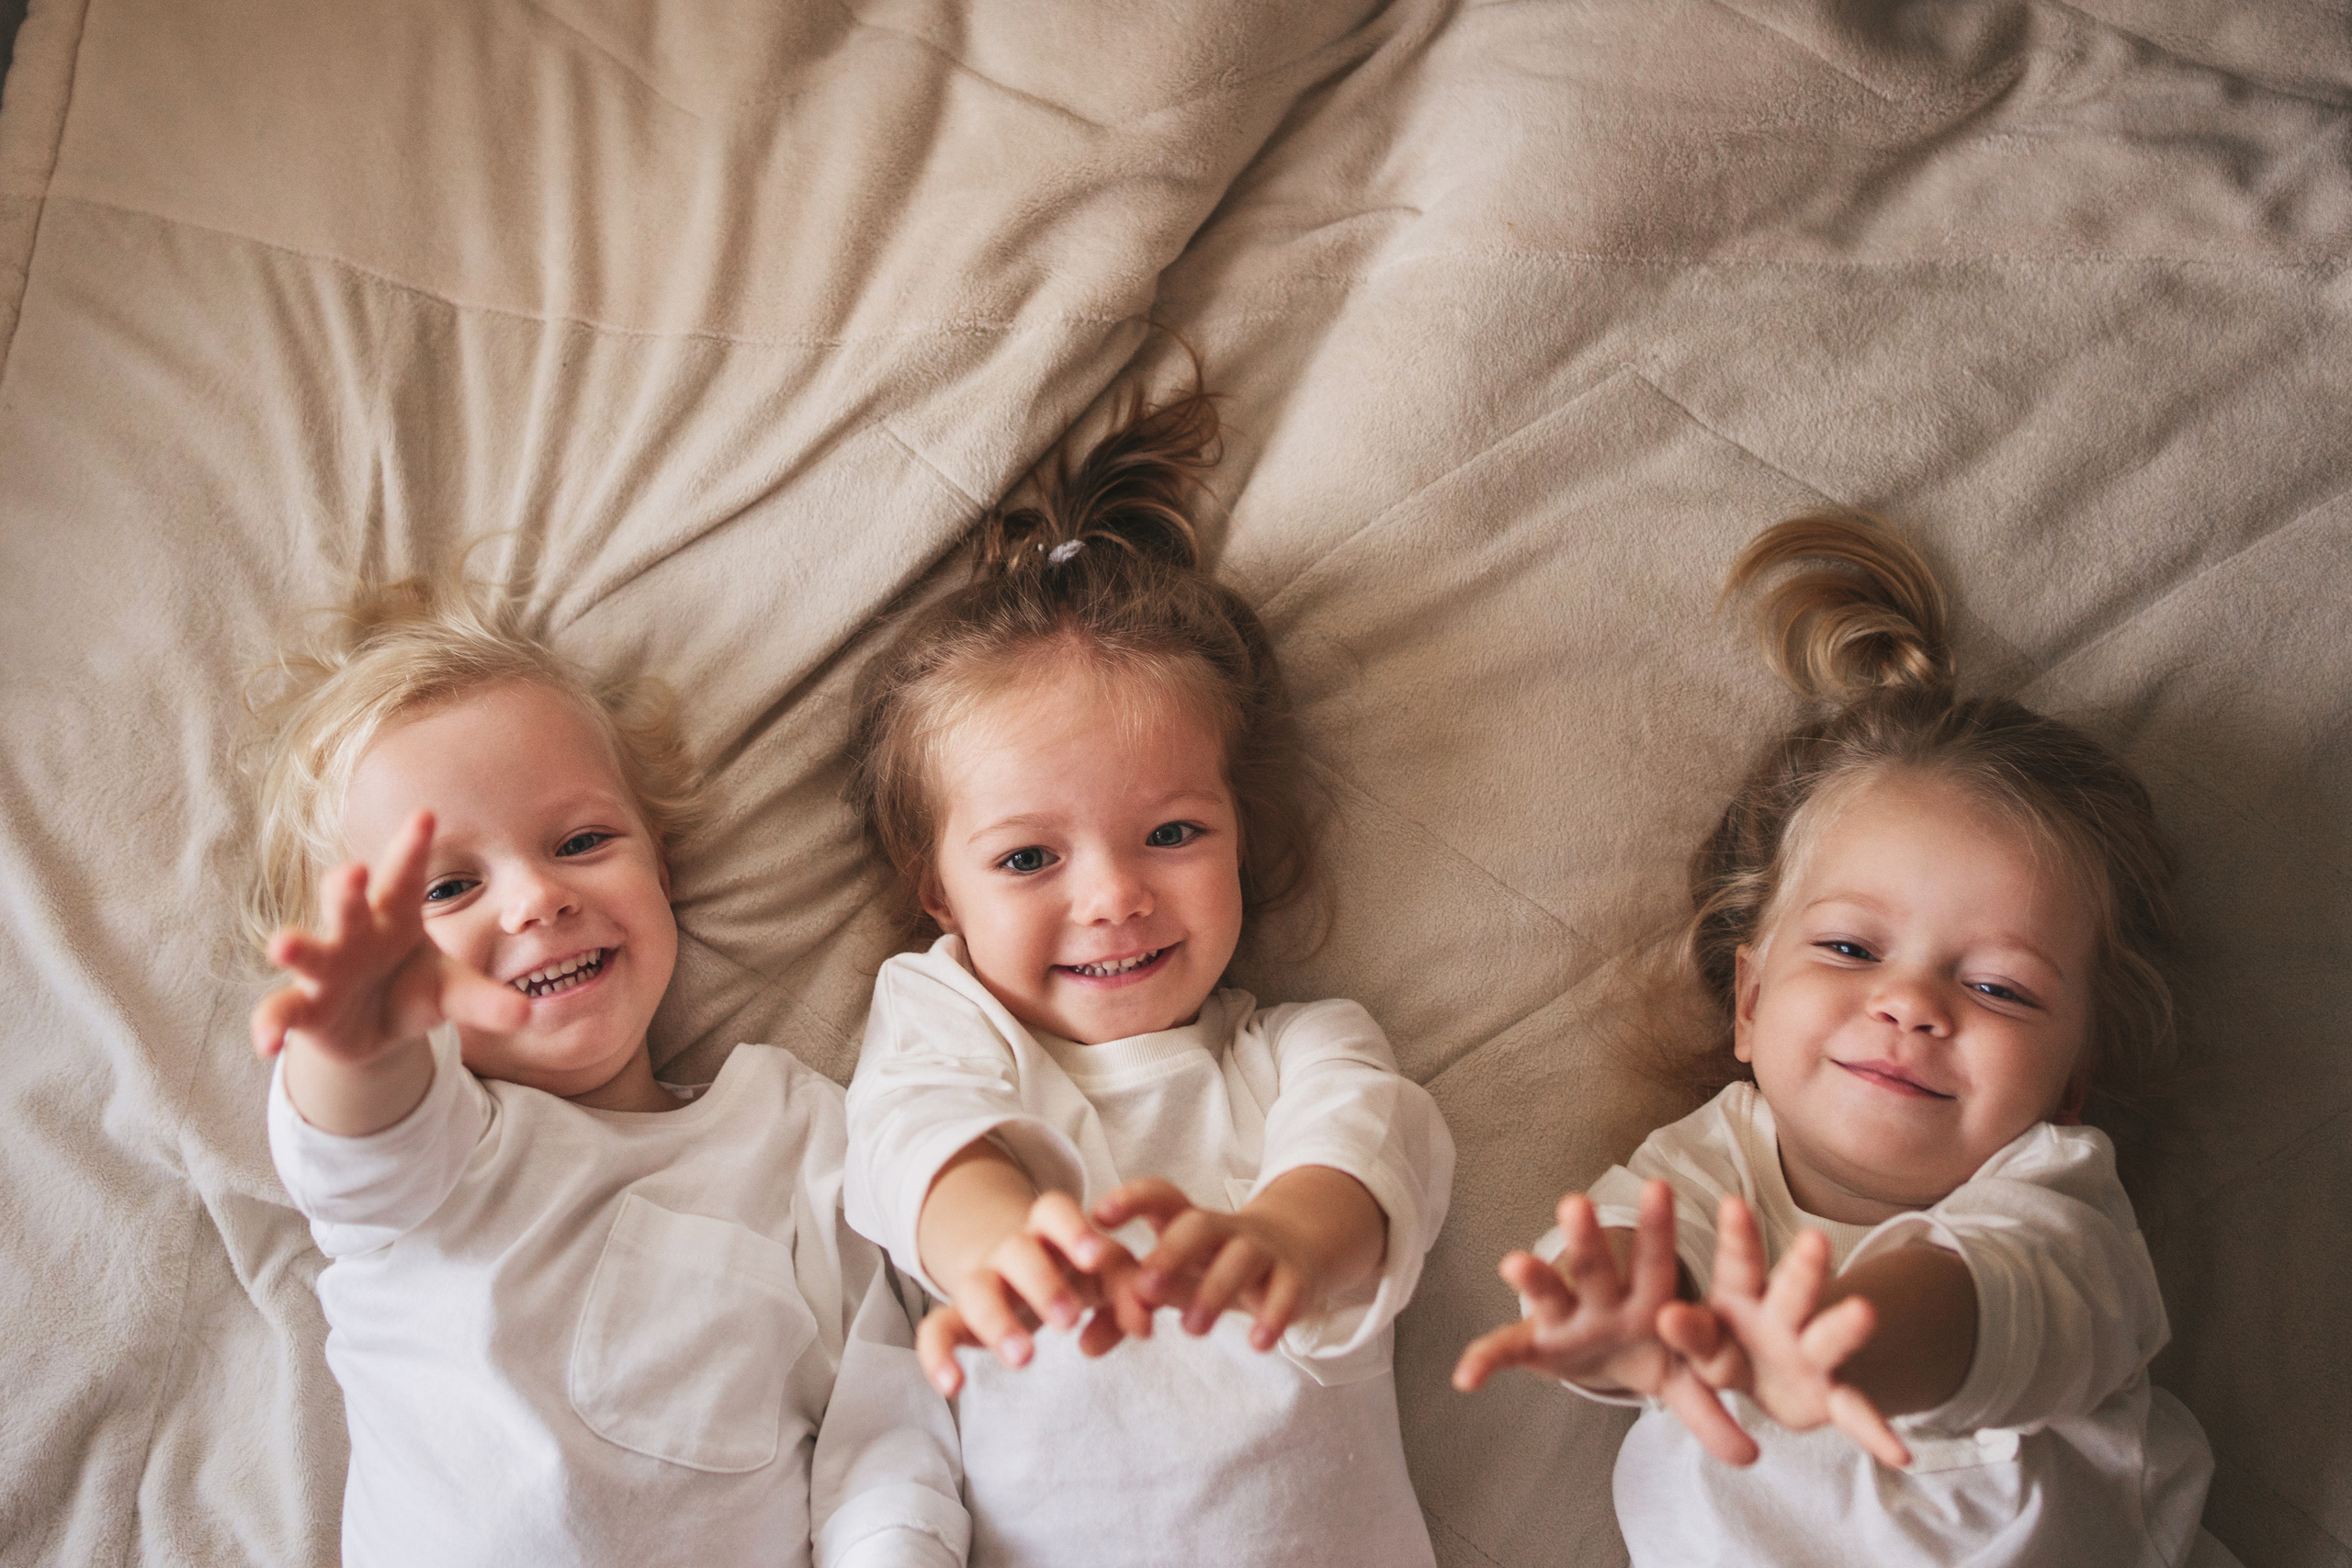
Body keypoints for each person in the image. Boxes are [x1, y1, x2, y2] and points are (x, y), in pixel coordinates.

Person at [1454, 513, 2217, 1566]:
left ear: (2071, 1084)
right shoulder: (1710, 1164)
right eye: (1853, 949)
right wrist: (1625, 1322)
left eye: (1998, 986)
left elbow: (1983, 1307)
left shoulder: (2058, 1203)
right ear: (1750, 1002)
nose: (1909, 1004)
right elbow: (1641, 1258)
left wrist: (1838, 1344)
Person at [841, 380, 1455, 1568]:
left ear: (1244, 829)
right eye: (1028, 856)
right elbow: (905, 1133)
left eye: (1172, 833)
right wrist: (1005, 1248)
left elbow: (1378, 1155)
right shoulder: (951, 1017)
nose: (1113, 896)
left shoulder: (1306, 1048)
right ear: (937, 894)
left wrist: (1279, 1237)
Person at [247, 575, 967, 1568]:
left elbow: (883, 1410)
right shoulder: (430, 1156)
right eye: (451, 887)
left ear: (661, 867)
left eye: (582, 843)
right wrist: (355, 1037)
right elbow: (352, 1143)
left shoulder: (795, 1131)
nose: (538, 898)